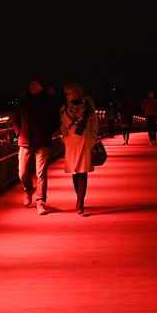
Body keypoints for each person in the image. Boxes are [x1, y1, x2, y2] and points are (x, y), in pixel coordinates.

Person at [13, 79, 59, 215]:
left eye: (36, 84)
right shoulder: (23, 101)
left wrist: (46, 133)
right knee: (22, 172)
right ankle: (28, 189)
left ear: (42, 87)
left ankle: (41, 202)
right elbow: (15, 119)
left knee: (41, 174)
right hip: (25, 140)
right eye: (31, 84)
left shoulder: (49, 102)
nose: (32, 87)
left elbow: (56, 121)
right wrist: (19, 132)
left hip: (43, 142)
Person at [59, 82, 98, 216]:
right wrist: (64, 138)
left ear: (77, 93)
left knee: (82, 171)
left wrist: (93, 136)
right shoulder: (65, 109)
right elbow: (63, 125)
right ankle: (79, 197)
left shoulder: (88, 107)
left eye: (69, 93)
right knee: (75, 171)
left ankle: (80, 202)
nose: (67, 96)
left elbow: (95, 123)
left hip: (85, 141)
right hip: (71, 143)